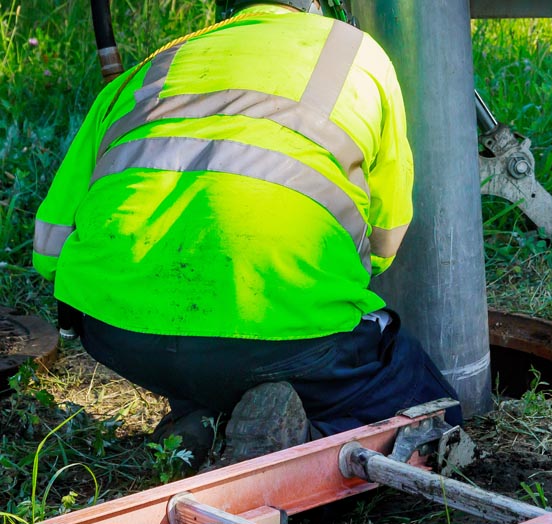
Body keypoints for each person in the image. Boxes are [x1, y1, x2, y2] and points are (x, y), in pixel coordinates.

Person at [32, 0, 462, 469]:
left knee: (214, 358)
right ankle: (303, 442)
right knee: (432, 402)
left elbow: (51, 249)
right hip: (279, 332)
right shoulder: (358, 54)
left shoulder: (156, 63)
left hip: (118, 334)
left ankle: (199, 422)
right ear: (314, 3)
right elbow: (386, 236)